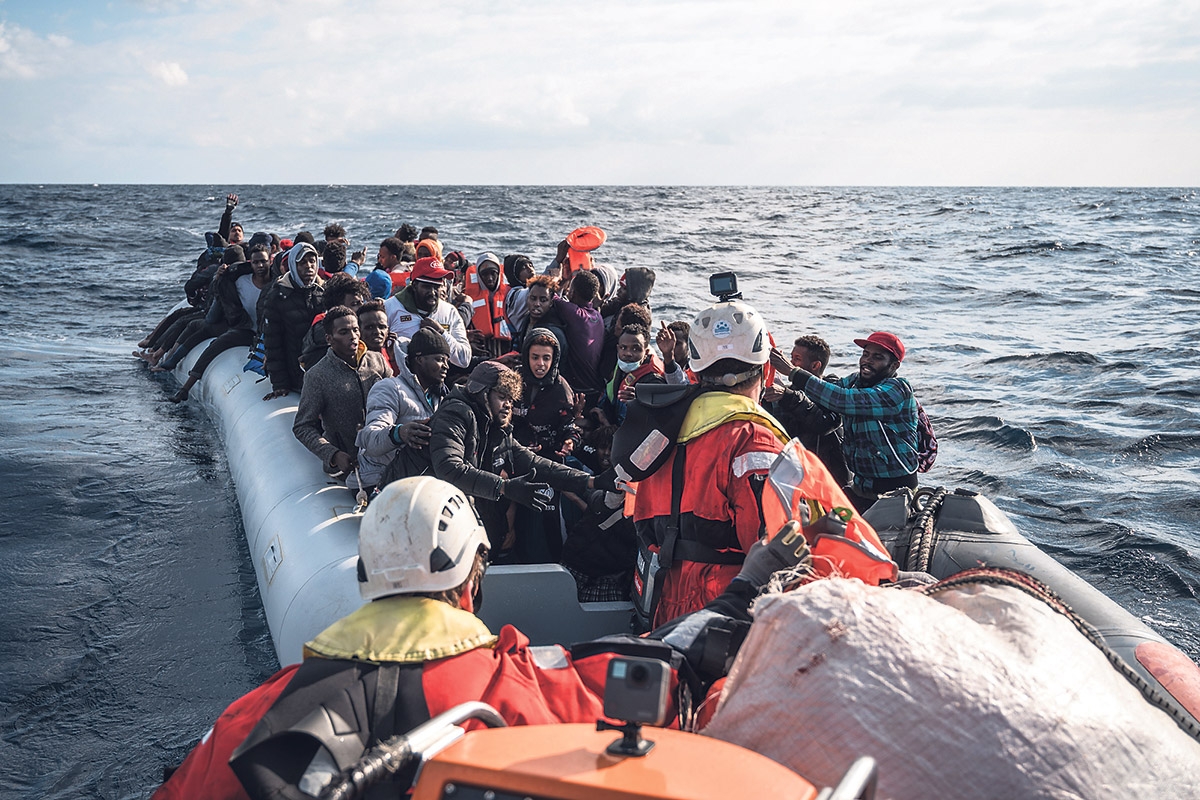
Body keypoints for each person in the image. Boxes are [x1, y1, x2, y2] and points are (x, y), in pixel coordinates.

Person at [150, 476, 813, 800]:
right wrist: (750, 582)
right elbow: (668, 661)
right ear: (475, 576)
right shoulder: (521, 691)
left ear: (363, 577)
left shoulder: (255, 717)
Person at [629, 298, 791, 628]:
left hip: (664, 597)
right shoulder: (752, 439)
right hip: (727, 605)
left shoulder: (665, 428)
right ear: (766, 370)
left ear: (697, 370)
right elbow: (771, 549)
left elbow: (639, 513)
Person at [417, 361, 616, 552]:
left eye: (511, 400)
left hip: (446, 513)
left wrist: (592, 481)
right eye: (502, 396)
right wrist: (504, 487)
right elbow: (449, 468)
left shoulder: (498, 429)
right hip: (420, 512)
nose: (508, 405)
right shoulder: (456, 413)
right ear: (482, 393)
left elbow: (534, 463)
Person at [770, 330, 919, 512]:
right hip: (860, 488)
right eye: (865, 354)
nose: (867, 360)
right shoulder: (854, 381)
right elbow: (822, 394)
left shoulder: (898, 389)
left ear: (894, 365)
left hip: (896, 491)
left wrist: (793, 372)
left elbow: (842, 400)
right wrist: (781, 390)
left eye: (877, 357)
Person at [292, 306, 390, 481]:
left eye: (355, 330)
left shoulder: (377, 361)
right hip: (350, 464)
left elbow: (396, 397)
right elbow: (302, 426)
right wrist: (333, 454)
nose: (352, 336)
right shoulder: (317, 376)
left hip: (386, 453)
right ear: (329, 339)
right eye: (344, 332)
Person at [169, 243, 274, 403]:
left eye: (263, 261)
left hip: (269, 333)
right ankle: (185, 388)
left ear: (270, 261)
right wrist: (219, 277)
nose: (260, 266)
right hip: (246, 329)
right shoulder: (240, 282)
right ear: (250, 263)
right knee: (216, 345)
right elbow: (220, 293)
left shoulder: (277, 285)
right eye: (256, 262)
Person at [356, 328, 452, 492]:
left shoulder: (440, 397)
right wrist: (399, 433)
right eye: (440, 359)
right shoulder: (389, 388)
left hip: (417, 482)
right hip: (379, 481)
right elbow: (369, 439)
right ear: (420, 359)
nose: (446, 367)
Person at [763, 335, 849, 487]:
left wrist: (787, 395)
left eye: (797, 359)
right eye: (791, 357)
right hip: (797, 474)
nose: (790, 363)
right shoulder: (788, 393)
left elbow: (824, 423)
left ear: (815, 365)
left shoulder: (833, 388)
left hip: (830, 479)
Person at [261, 243, 325, 401]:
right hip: (294, 373)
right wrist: (279, 384)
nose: (309, 266)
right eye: (302, 262)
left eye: (312, 261)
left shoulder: (321, 292)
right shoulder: (278, 296)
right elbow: (273, 343)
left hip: (319, 368)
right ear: (293, 266)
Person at [383, 256, 471, 369]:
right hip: (398, 381)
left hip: (438, 381)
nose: (432, 292)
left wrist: (441, 333)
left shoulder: (450, 312)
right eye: (427, 286)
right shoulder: (390, 307)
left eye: (437, 287)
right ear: (414, 285)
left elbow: (464, 359)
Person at [596, 323, 664, 427]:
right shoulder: (620, 366)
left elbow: (656, 420)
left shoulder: (653, 380)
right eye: (623, 348)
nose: (628, 353)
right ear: (618, 348)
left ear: (646, 352)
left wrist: (637, 404)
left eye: (635, 349)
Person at [553, 270, 605, 403]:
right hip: (596, 387)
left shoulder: (575, 314)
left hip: (580, 390)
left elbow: (552, 296)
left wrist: (559, 279)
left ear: (572, 293)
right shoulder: (597, 316)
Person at [461, 252, 512, 360]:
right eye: (484, 274)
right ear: (478, 275)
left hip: (505, 352)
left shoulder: (510, 296)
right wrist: (467, 340)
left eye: (493, 273)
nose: (489, 278)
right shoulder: (466, 298)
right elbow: (458, 327)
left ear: (499, 273)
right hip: (479, 353)